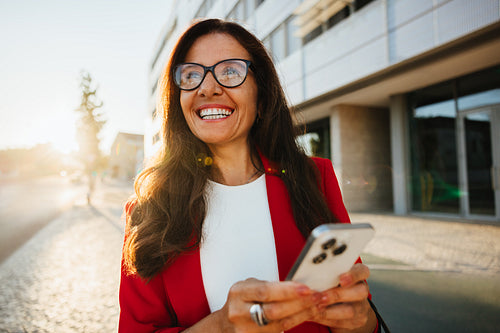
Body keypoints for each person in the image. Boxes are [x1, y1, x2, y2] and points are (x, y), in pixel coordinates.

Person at [119, 18, 378, 333]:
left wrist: (361, 321)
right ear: (179, 98)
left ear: (261, 93)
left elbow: (359, 318)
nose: (208, 87)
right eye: (191, 75)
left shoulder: (314, 178)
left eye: (230, 71)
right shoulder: (149, 209)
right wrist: (223, 326)